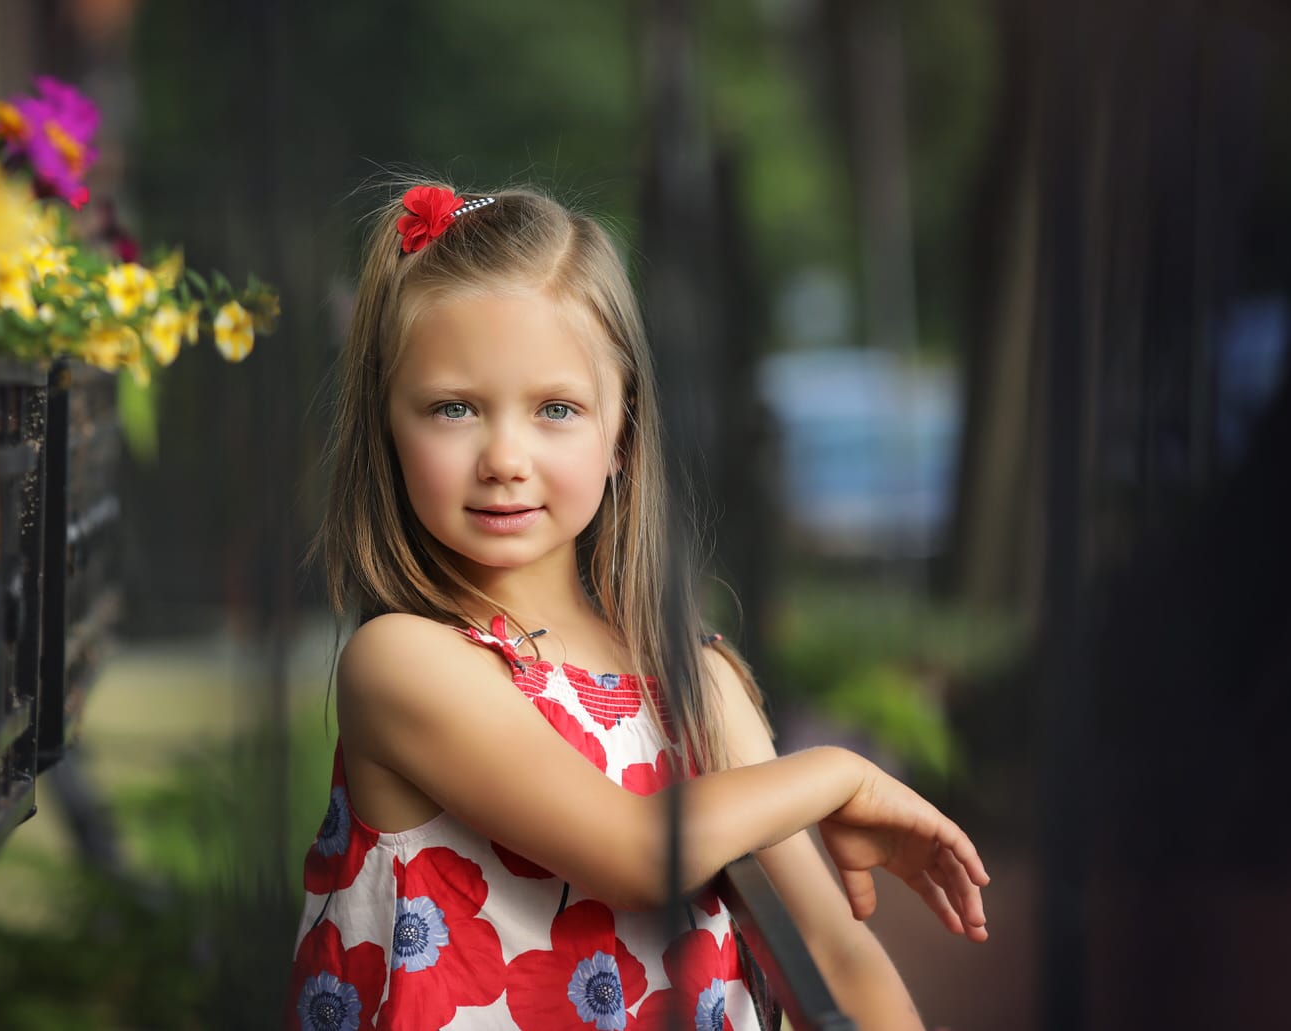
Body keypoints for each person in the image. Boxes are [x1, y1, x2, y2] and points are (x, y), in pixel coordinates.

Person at [287, 181, 989, 1031]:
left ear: (621, 433)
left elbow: (839, 958)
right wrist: (837, 774)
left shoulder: (694, 680)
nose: (505, 456)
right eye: (454, 408)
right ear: (388, 427)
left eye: (556, 409)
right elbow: (638, 852)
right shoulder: (403, 662)